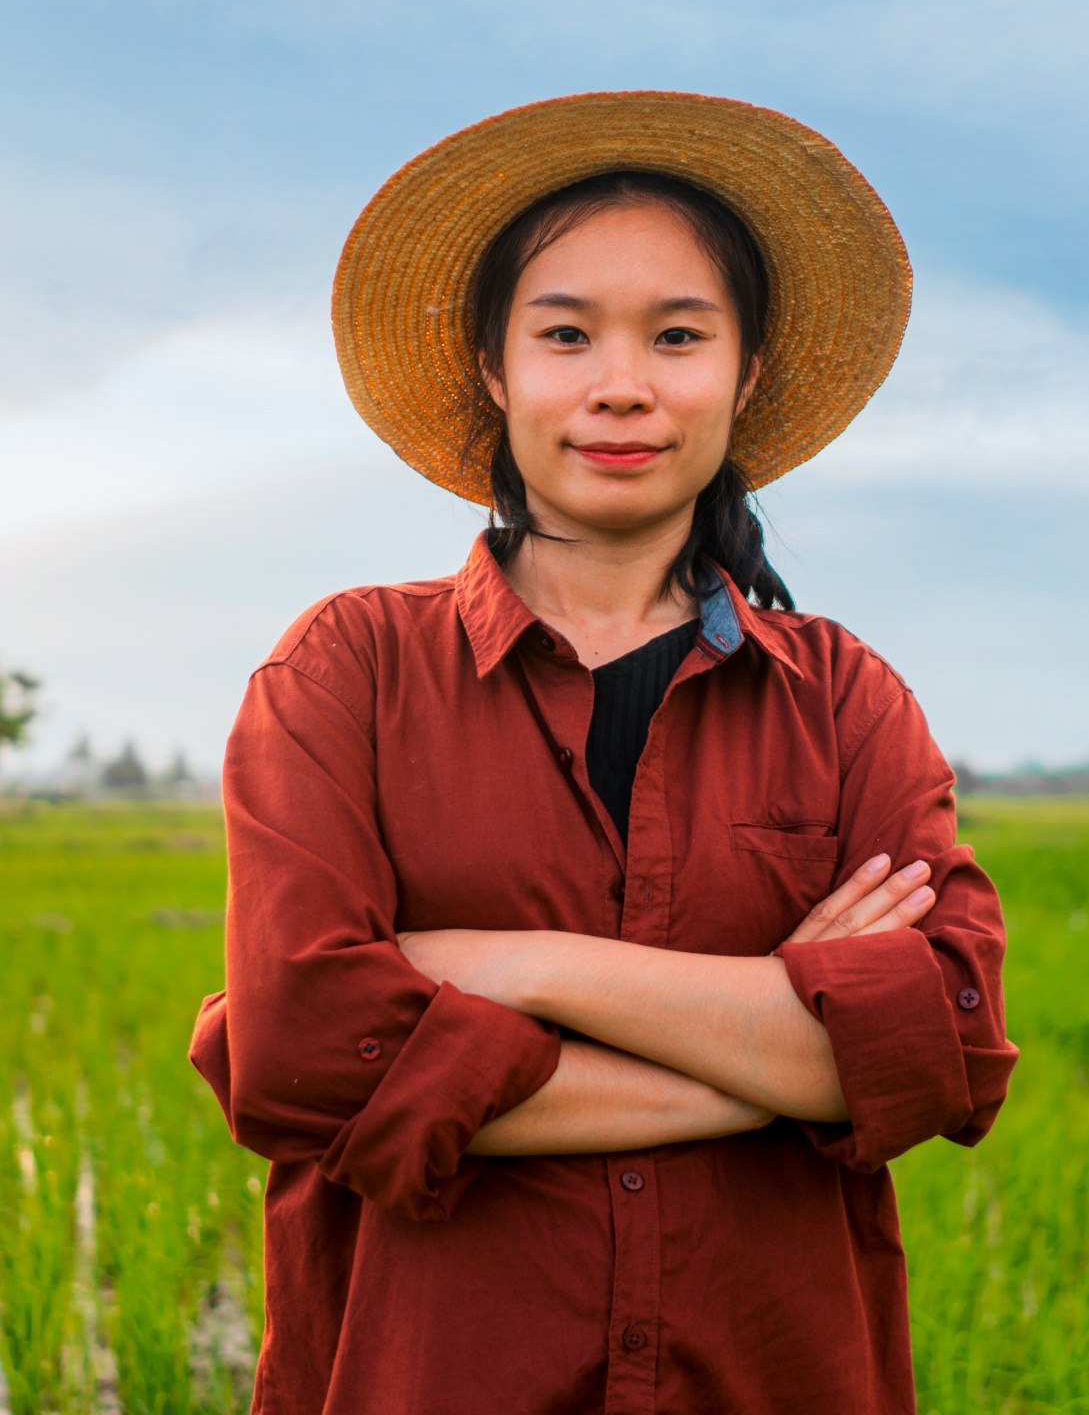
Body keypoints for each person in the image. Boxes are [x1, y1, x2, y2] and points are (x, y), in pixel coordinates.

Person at [191, 91, 1018, 1415]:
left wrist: (515, 968)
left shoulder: (847, 700)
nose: (620, 384)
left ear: (743, 375)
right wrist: (782, 1046)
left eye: (678, 335)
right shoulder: (346, 672)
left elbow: (948, 1052)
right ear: (493, 368)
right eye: (566, 333)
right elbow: (303, 1058)